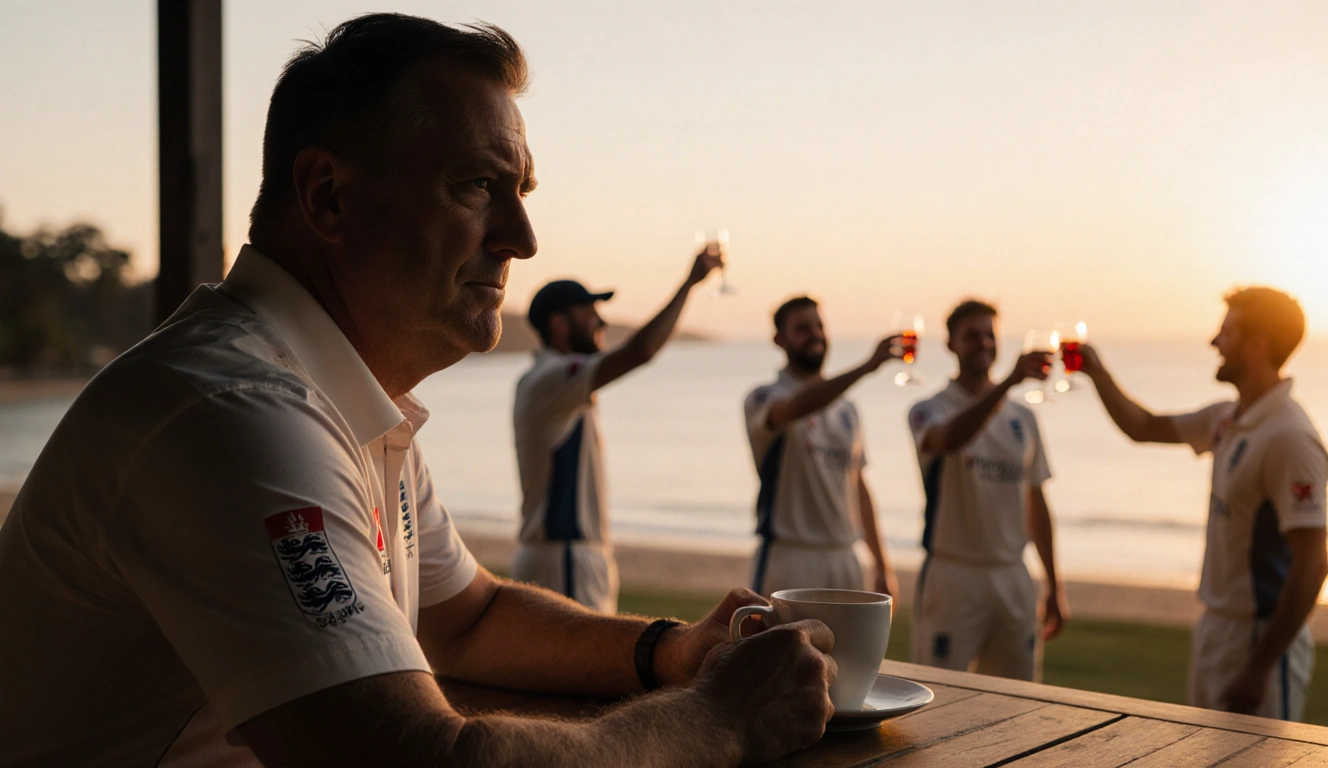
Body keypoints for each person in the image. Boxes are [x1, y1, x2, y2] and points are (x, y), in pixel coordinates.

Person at [0, 15, 837, 766]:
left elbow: (467, 618)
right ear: (328, 196)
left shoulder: (350, 399)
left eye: (521, 192)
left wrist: (672, 649)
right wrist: (719, 718)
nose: (523, 238)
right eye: (477, 186)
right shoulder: (231, 414)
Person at [1078, 287, 1328, 720]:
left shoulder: (1290, 438)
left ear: (1258, 345)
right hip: (1217, 629)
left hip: (1260, 638)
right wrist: (1096, 373)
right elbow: (1143, 426)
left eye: (1226, 332)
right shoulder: (1228, 418)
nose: (1214, 342)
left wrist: (1259, 667)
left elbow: (1313, 566)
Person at [513, 252, 720, 614]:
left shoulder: (560, 385)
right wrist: (689, 284)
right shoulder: (550, 378)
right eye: (589, 312)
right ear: (559, 325)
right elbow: (640, 350)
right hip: (564, 559)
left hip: (573, 557)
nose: (601, 320)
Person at [907, 299, 1066, 681]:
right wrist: (1009, 383)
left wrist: (1054, 585)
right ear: (951, 344)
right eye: (971, 336)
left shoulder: (1023, 417)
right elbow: (950, 438)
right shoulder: (928, 410)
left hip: (1012, 573)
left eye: (989, 335)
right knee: (939, 697)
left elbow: (1036, 501)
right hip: (953, 573)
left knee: (1017, 702)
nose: (983, 344)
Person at [744, 296, 898, 598]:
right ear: (779, 339)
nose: (814, 334)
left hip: (844, 556)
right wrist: (866, 367)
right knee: (784, 647)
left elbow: (858, 486)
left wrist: (882, 565)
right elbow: (797, 406)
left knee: (849, 648)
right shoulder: (763, 397)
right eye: (802, 328)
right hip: (790, 556)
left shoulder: (847, 409)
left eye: (819, 326)